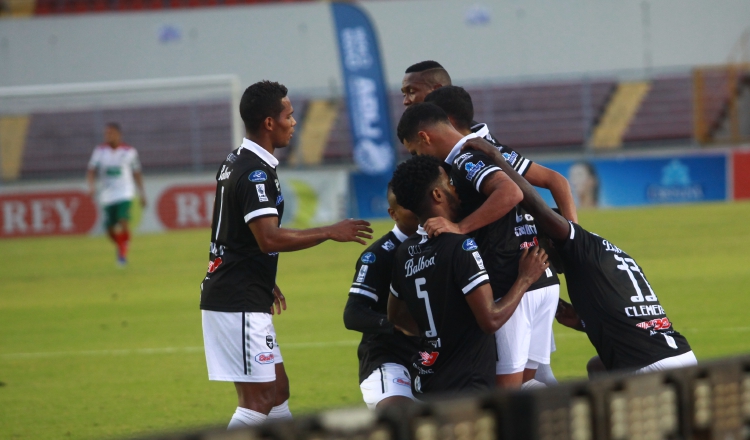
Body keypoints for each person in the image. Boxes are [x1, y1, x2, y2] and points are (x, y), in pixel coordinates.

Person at [199, 80, 373, 429]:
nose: (294, 123)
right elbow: (268, 238)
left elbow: (233, 234)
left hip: (242, 289)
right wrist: (329, 231)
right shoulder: (254, 173)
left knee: (277, 391)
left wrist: (264, 275)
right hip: (238, 298)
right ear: (269, 122)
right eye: (289, 116)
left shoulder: (236, 161)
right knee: (258, 401)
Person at [462, 137, 697, 374]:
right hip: (680, 353)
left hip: (649, 364)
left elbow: (537, 206)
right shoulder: (609, 253)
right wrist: (583, 320)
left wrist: (497, 158)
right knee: (597, 368)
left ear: (554, 241)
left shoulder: (579, 246)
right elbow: (626, 314)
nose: (544, 258)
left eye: (542, 246)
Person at [396, 102, 561, 389]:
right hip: (538, 276)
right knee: (533, 384)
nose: (416, 157)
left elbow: (510, 192)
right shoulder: (481, 149)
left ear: (424, 137)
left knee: (505, 394)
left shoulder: (463, 158)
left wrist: (460, 228)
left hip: (512, 282)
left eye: (414, 151)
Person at [343, 184, 421, 409]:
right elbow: (353, 314)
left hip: (429, 356)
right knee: (400, 416)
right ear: (393, 214)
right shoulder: (378, 255)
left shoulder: (441, 244)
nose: (418, 210)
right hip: (388, 357)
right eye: (408, 206)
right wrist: (397, 324)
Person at [86, 122, 146, 266]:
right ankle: (122, 246)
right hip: (107, 195)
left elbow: (136, 172)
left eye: (111, 133)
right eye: (106, 133)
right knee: (109, 229)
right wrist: (92, 186)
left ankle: (122, 256)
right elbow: (91, 170)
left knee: (123, 220)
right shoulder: (99, 151)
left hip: (125, 192)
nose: (108, 136)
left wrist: (142, 193)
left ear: (119, 134)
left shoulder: (129, 151)